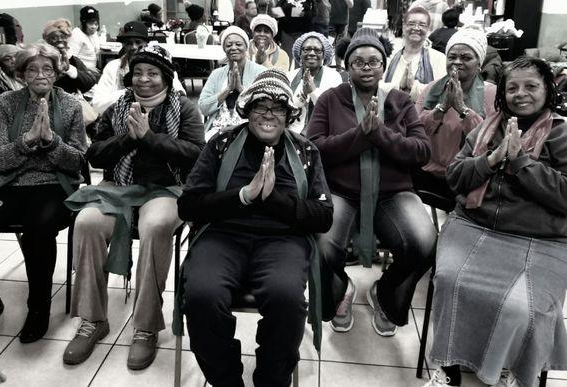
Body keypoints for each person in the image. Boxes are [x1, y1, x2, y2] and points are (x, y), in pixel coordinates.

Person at [179, 68, 333, 387]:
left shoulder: (306, 152)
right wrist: (244, 196)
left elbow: (323, 216)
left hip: (283, 243)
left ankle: (271, 379)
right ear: (247, 111)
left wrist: (273, 199)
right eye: (260, 106)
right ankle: (226, 379)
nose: (268, 114)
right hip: (222, 238)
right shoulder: (220, 144)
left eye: (277, 108)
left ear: (289, 115)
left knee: (287, 299)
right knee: (201, 296)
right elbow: (189, 204)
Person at [423, 56, 567, 387]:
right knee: (450, 281)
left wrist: (520, 162)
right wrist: (491, 158)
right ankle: (448, 367)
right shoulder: (487, 127)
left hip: (541, 238)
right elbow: (457, 178)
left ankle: (504, 367)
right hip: (475, 225)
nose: (521, 94)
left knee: (522, 308)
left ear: (548, 90)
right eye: (512, 87)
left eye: (531, 86)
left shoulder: (561, 133)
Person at [62, 45, 204, 370]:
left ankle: (145, 327)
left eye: (153, 73)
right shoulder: (117, 109)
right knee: (86, 222)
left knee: (155, 227)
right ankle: (92, 319)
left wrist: (150, 138)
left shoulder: (184, 109)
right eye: (138, 73)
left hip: (166, 188)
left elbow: (198, 154)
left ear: (166, 77)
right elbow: (95, 154)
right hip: (118, 186)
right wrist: (128, 138)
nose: (144, 80)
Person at [307, 28, 436, 335]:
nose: (367, 67)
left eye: (374, 62)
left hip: (393, 194)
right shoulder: (330, 99)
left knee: (425, 244)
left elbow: (421, 151)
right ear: (347, 67)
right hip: (341, 191)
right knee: (321, 248)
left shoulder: (400, 101)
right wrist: (360, 135)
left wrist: (379, 134)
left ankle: (386, 294)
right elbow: (314, 148)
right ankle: (341, 291)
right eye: (359, 62)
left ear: (383, 66)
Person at [0, 42, 87, 344]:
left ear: (57, 72)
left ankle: (38, 309)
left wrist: (50, 141)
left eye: (47, 68)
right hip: (8, 184)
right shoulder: (7, 102)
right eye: (32, 69)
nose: (40, 75)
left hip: (53, 185)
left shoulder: (71, 104)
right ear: (21, 74)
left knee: (40, 228)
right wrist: (27, 142)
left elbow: (77, 162)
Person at [414, 26, 496, 204]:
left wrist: (463, 110)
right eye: (452, 57)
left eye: (466, 57)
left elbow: (490, 140)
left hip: (468, 180)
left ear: (479, 63)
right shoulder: (431, 89)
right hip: (427, 173)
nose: (457, 62)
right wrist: (441, 108)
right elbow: (415, 131)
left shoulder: (492, 95)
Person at [91, 21, 185, 116]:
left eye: (138, 42)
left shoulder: (161, 64)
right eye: (129, 43)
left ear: (147, 43)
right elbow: (98, 104)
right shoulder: (113, 67)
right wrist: (131, 92)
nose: (134, 47)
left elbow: (179, 95)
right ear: (124, 45)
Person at [199, 26, 265, 133]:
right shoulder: (216, 74)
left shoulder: (260, 72)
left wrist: (241, 89)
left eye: (238, 44)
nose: (233, 48)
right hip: (219, 129)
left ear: (246, 47)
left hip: (250, 129)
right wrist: (227, 89)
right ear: (224, 49)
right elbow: (203, 108)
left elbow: (264, 107)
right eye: (229, 45)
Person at [383, 6, 446, 101]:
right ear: (404, 27)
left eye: (422, 25)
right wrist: (399, 86)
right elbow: (377, 86)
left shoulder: (439, 58)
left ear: (428, 29)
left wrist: (414, 86)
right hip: (391, 114)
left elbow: (441, 91)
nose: (416, 28)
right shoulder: (389, 56)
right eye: (411, 24)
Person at [287, 31, 342, 134]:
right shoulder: (289, 77)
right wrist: (300, 97)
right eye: (307, 49)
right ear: (300, 53)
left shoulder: (334, 77)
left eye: (317, 50)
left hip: (322, 134)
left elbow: (334, 111)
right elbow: (283, 111)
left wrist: (313, 92)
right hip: (291, 133)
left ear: (323, 55)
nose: (312, 53)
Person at [42, 18, 98, 94]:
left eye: (63, 37)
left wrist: (69, 69)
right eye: (54, 38)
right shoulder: (40, 60)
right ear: (47, 41)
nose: (59, 40)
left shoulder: (73, 60)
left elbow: (89, 83)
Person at [69, 6, 101, 71]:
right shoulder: (76, 34)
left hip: (93, 70)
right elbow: (71, 60)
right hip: (82, 73)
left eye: (96, 23)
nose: (94, 27)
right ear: (83, 22)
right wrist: (88, 69)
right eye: (90, 23)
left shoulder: (93, 33)